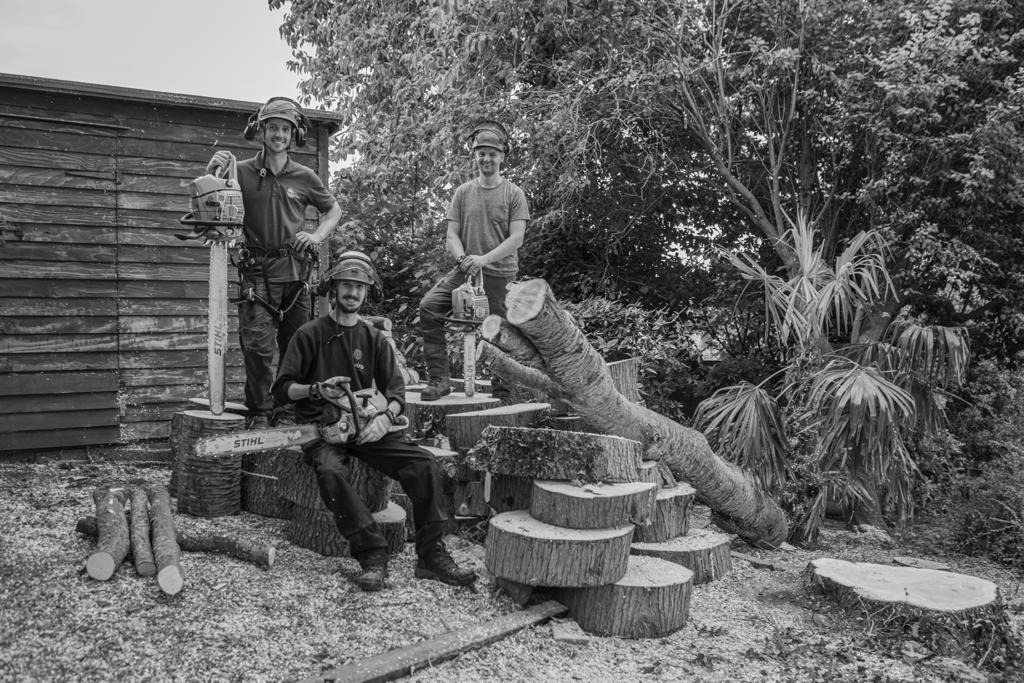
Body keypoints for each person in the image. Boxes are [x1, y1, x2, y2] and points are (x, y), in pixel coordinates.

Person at [271, 251, 478, 592]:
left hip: (367, 429)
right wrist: (316, 390)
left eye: (359, 287)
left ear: (367, 293)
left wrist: (385, 418)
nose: (352, 293)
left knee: (424, 464)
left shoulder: (374, 339)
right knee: (331, 471)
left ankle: (430, 554)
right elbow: (282, 390)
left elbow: (396, 393)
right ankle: (371, 554)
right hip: (324, 432)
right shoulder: (309, 334)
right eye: (346, 285)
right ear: (333, 289)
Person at [207, 97, 342, 428]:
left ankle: (286, 410)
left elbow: (334, 210)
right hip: (257, 275)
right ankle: (261, 411)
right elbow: (213, 199)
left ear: (293, 135)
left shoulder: (305, 176)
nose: (279, 134)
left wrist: (316, 236)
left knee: (296, 347)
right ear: (261, 130)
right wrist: (213, 170)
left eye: (285, 129)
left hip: (296, 274)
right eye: (272, 128)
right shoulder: (238, 171)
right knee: (258, 349)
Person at [418, 120, 530, 401]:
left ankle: (503, 393)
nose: (486, 158)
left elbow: (516, 238)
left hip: (499, 275)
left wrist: (484, 259)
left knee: (501, 332)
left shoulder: (513, 194)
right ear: (474, 155)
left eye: (492, 153)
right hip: (465, 273)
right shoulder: (462, 193)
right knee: (430, 306)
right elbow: (451, 235)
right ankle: (439, 379)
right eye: (481, 153)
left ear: (502, 156)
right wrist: (464, 259)